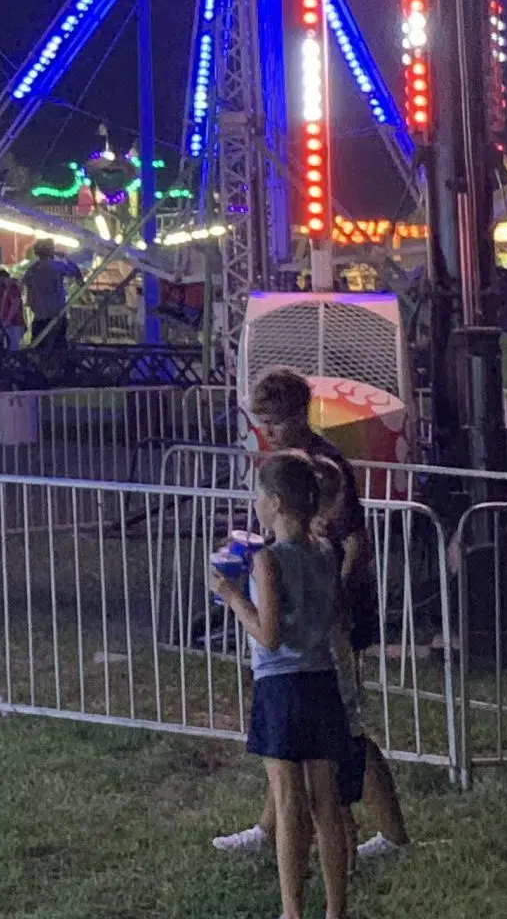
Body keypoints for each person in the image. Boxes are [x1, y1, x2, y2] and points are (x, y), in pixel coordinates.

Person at [217, 367, 407, 862]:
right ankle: (269, 826)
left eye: (274, 421)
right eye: (261, 421)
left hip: (333, 617)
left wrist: (331, 599)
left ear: (299, 414)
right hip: (320, 613)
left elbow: (353, 542)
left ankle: (391, 833)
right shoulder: (299, 462)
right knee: (299, 732)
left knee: (345, 731)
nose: (267, 431)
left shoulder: (323, 469)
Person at [208, 453, 353, 919]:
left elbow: (269, 634)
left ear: (273, 502)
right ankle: (336, 908)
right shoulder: (327, 553)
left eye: (257, 494)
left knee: (290, 802)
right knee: (327, 802)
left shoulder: (267, 561)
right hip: (321, 678)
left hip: (281, 685)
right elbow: (333, 615)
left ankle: (292, 910)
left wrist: (231, 597)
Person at [22, 241, 75, 348]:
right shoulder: (57, 266)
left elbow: (29, 292)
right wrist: (65, 258)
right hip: (57, 314)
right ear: (51, 252)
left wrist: (33, 306)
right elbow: (74, 272)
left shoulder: (32, 270)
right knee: (59, 349)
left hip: (40, 316)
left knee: (38, 348)